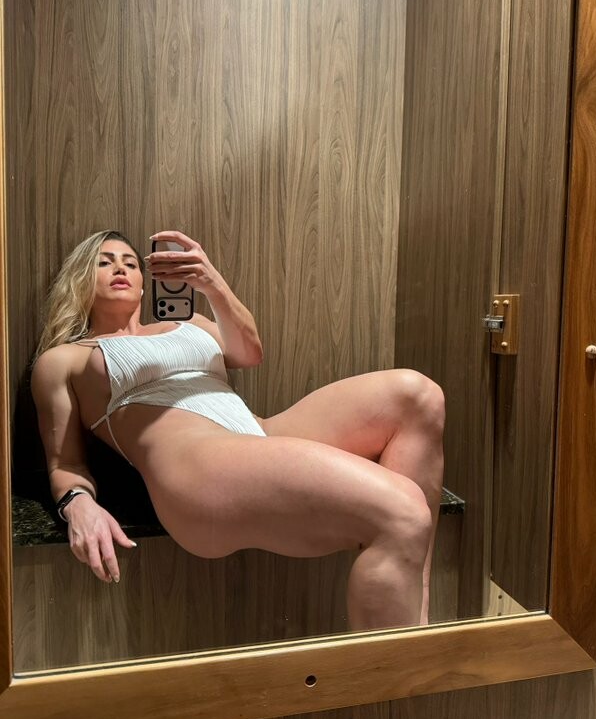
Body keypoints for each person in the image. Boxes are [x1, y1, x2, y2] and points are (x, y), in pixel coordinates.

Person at [30, 229, 445, 631]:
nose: (120, 268)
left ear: (144, 283)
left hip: (255, 436)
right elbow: (64, 463)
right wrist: (78, 506)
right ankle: (397, 675)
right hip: (198, 467)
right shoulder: (64, 359)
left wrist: (211, 282)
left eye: (130, 263)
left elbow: (249, 352)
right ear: (80, 279)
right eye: (104, 263)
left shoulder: (191, 323)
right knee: (404, 510)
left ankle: (418, 625)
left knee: (417, 394)